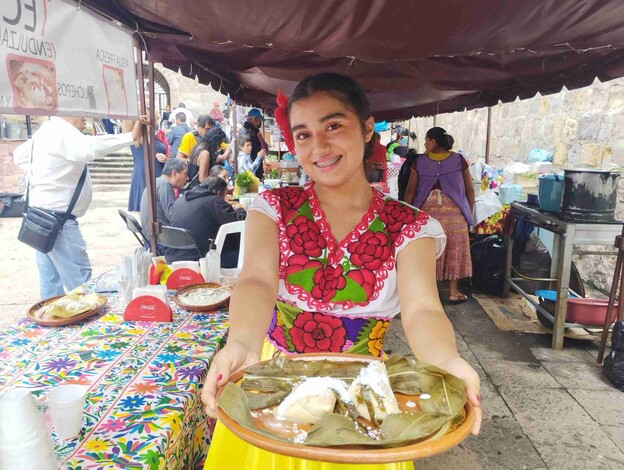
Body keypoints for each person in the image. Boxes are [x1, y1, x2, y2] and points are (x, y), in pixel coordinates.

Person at [201, 72, 482, 470]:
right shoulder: (274, 209)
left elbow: (423, 310)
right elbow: (257, 281)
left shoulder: (410, 227)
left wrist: (448, 362)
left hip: (365, 402)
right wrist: (242, 346)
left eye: (333, 125)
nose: (319, 146)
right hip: (275, 393)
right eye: (303, 134)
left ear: (367, 128)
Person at [13, 116, 146, 299]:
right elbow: (89, 148)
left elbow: (19, 155)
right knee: (82, 283)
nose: (85, 119)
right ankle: (86, 322)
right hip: (57, 222)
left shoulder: (48, 130)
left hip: (41, 218)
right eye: (81, 114)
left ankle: (53, 322)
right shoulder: (62, 131)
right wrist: (129, 136)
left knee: (50, 282)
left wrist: (45, 177)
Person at [403, 127, 475, 304]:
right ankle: (453, 292)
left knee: (429, 251)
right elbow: (470, 190)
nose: (425, 143)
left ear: (433, 142)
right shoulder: (459, 160)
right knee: (454, 250)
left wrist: (408, 216)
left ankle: (430, 293)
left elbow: (410, 192)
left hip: (429, 217)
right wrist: (468, 213)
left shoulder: (419, 162)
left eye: (427, 140)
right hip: (455, 216)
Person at [168, 175, 246, 265]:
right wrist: (240, 210)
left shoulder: (179, 201)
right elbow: (239, 222)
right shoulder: (214, 201)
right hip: (202, 259)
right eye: (224, 196)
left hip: (174, 257)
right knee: (247, 256)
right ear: (219, 193)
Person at [128, 122, 169, 212]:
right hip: (142, 173)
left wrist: (166, 159)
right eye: (156, 119)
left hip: (157, 171)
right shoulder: (136, 139)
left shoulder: (156, 137)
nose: (158, 122)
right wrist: (139, 121)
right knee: (143, 206)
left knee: (158, 207)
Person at [140, 158, 188, 234]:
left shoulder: (157, 181)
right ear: (174, 173)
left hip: (151, 235)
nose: (187, 178)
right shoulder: (164, 185)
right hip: (160, 239)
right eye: (185, 174)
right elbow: (172, 216)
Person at [237, 108, 268, 180]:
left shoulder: (254, 131)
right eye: (259, 121)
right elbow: (250, 168)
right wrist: (259, 158)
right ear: (255, 119)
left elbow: (264, 147)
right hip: (252, 171)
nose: (259, 123)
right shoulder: (245, 132)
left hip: (256, 167)